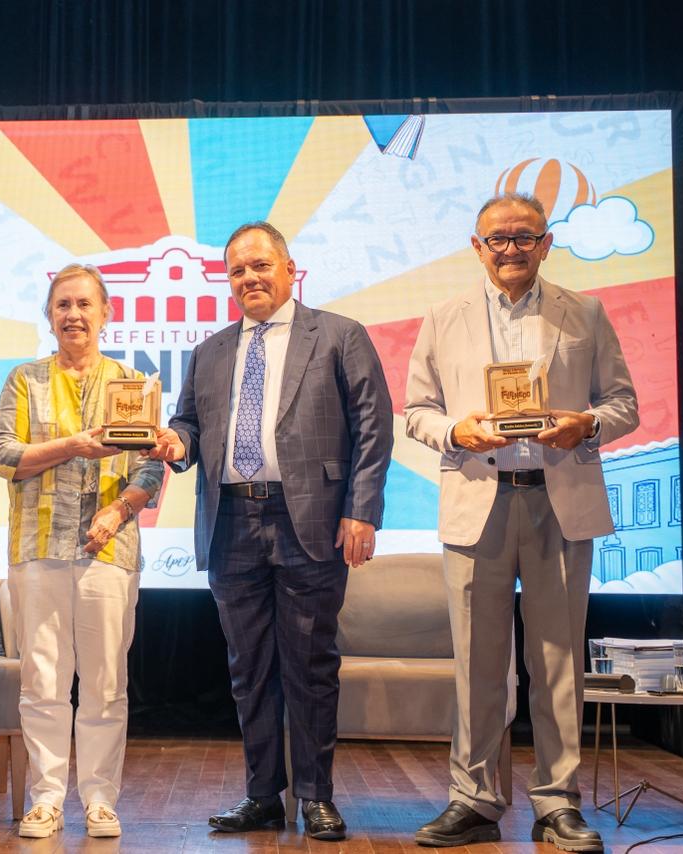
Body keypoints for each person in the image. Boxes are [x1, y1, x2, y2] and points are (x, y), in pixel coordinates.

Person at [405, 193, 638, 852]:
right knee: (478, 662)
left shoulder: (584, 312)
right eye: (497, 239)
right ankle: (475, 799)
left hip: (558, 500)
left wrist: (586, 424)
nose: (510, 249)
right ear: (476, 247)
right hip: (477, 500)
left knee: (558, 662)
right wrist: (458, 431)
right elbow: (417, 410)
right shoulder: (443, 316)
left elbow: (623, 403)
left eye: (524, 237)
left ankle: (558, 802)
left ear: (546, 243)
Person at [148, 222, 392, 840]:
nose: (249, 278)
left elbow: (373, 427)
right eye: (237, 271)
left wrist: (362, 509)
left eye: (260, 265)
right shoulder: (210, 351)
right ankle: (262, 795)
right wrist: (177, 444)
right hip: (231, 520)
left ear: (289, 269)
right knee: (248, 668)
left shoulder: (338, 334)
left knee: (310, 665)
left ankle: (315, 795)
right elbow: (188, 425)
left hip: (311, 519)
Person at [0, 264, 164, 840]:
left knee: (106, 684)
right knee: (42, 681)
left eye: (85, 304)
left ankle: (99, 799)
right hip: (38, 548)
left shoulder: (134, 384)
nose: (74, 315)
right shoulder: (25, 379)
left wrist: (118, 512)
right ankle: (45, 799)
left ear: (106, 313)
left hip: (110, 553)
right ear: (49, 315)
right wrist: (72, 446)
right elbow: (2, 455)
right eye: (63, 305)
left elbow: (150, 468)